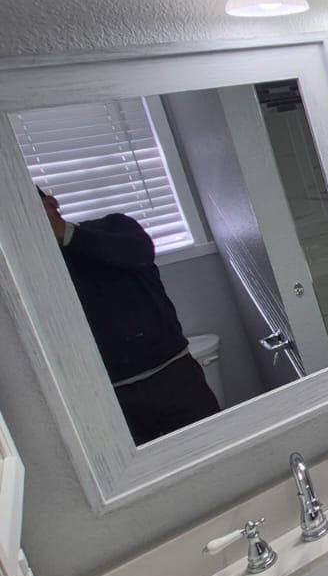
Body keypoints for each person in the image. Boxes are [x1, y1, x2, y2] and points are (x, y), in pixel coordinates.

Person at [38, 187, 220, 444]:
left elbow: (139, 252)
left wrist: (65, 234)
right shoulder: (42, 269)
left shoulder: (114, 227)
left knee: (214, 446)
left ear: (51, 204)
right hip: (113, 397)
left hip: (173, 374)